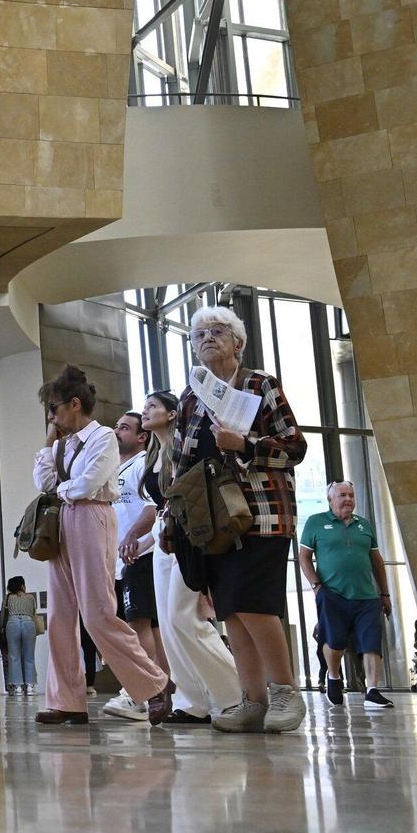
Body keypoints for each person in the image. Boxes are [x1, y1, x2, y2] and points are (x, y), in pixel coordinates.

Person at [167, 305, 309, 734]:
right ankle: (253, 702)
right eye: (198, 334)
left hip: (263, 513)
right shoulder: (191, 397)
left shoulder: (259, 383)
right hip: (211, 521)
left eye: (217, 331)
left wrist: (244, 444)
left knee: (255, 604)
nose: (207, 338)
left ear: (237, 343)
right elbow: (179, 467)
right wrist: (173, 524)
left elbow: (295, 447)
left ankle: (285, 692)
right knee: (230, 610)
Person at [30, 366, 171, 726]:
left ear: (74, 404)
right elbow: (43, 480)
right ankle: (68, 700)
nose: (51, 416)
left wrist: (62, 488)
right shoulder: (61, 444)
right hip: (61, 521)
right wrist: (50, 446)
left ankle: (153, 684)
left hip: (93, 517)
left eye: (54, 408)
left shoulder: (103, 437)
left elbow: (88, 484)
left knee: (98, 612)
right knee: (60, 616)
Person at [129, 390, 240, 724]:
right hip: (165, 536)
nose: (145, 411)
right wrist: (144, 541)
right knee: (168, 621)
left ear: (173, 414)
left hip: (188, 535)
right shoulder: (151, 457)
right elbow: (159, 508)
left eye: (152, 406)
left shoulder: (183, 451)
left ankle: (235, 693)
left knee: (183, 617)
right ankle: (192, 701)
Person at [298, 480, 393, 709]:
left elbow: (377, 561)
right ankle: (333, 676)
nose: (348, 499)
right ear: (331, 500)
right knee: (335, 641)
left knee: (371, 642)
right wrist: (316, 586)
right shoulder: (315, 523)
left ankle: (372, 690)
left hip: (367, 596)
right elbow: (303, 557)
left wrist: (385, 594)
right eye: (342, 495)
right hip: (332, 594)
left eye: (351, 495)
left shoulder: (364, 525)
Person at [103, 409, 162, 718]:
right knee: (149, 625)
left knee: (139, 624)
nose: (116, 431)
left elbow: (152, 510)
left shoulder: (143, 465)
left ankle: (141, 694)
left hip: (141, 554)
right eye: (116, 425)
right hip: (121, 560)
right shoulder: (115, 469)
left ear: (141, 436)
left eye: (123, 427)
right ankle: (162, 693)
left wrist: (132, 538)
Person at [0, 577, 39, 696]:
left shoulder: (8, 598)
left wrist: (1, 629)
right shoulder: (30, 597)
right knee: (29, 656)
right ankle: (30, 686)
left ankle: (18, 687)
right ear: (22, 585)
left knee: (14, 656)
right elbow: (33, 613)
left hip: (12, 623)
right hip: (28, 622)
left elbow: (2, 616)